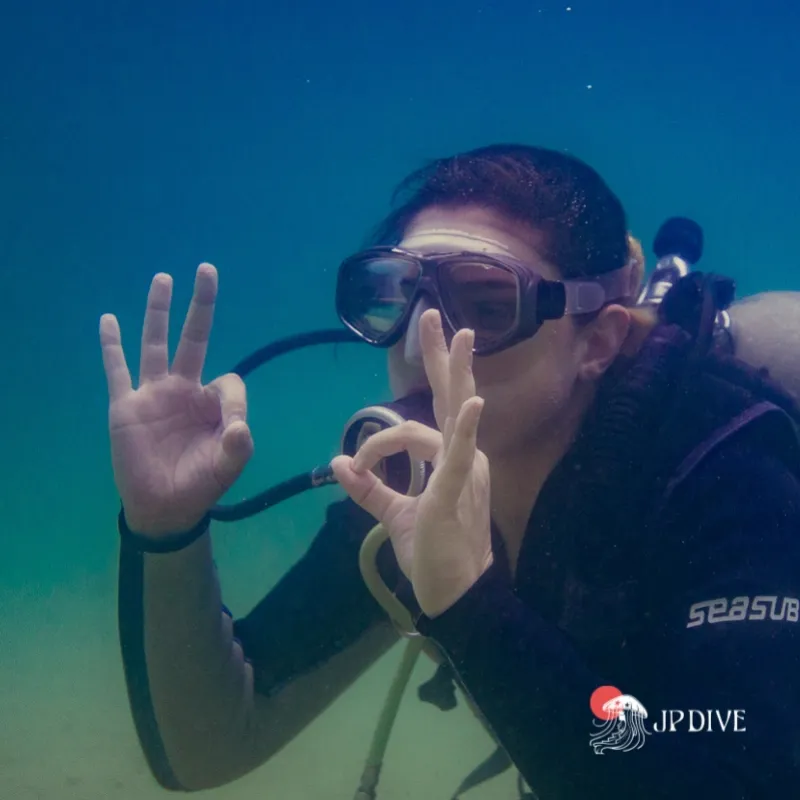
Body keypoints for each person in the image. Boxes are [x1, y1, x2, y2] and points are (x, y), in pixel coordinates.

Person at [101, 144, 800, 799]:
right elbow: (212, 742)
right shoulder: (409, 494)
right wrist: (165, 529)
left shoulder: (725, 482)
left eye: (488, 305)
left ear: (601, 341)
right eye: (392, 295)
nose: (417, 337)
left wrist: (471, 605)